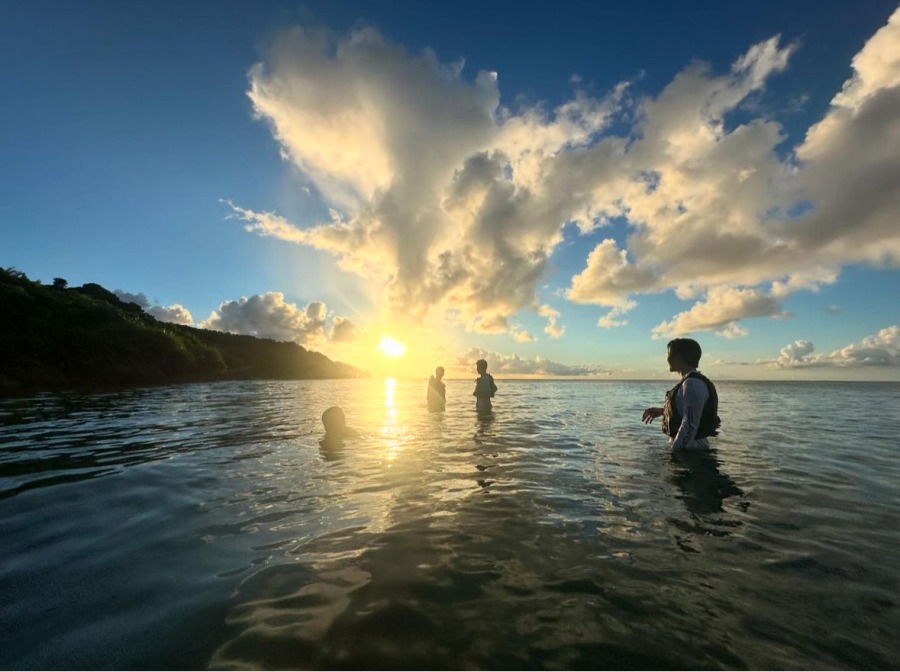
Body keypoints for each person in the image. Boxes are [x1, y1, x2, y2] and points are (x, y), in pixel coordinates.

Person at [642, 338, 720, 450]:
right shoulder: (690, 382)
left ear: (678, 357)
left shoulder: (692, 384)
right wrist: (662, 411)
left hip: (692, 453)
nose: (667, 358)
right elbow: (689, 413)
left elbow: (689, 426)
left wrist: (675, 454)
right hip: (690, 450)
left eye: (669, 353)